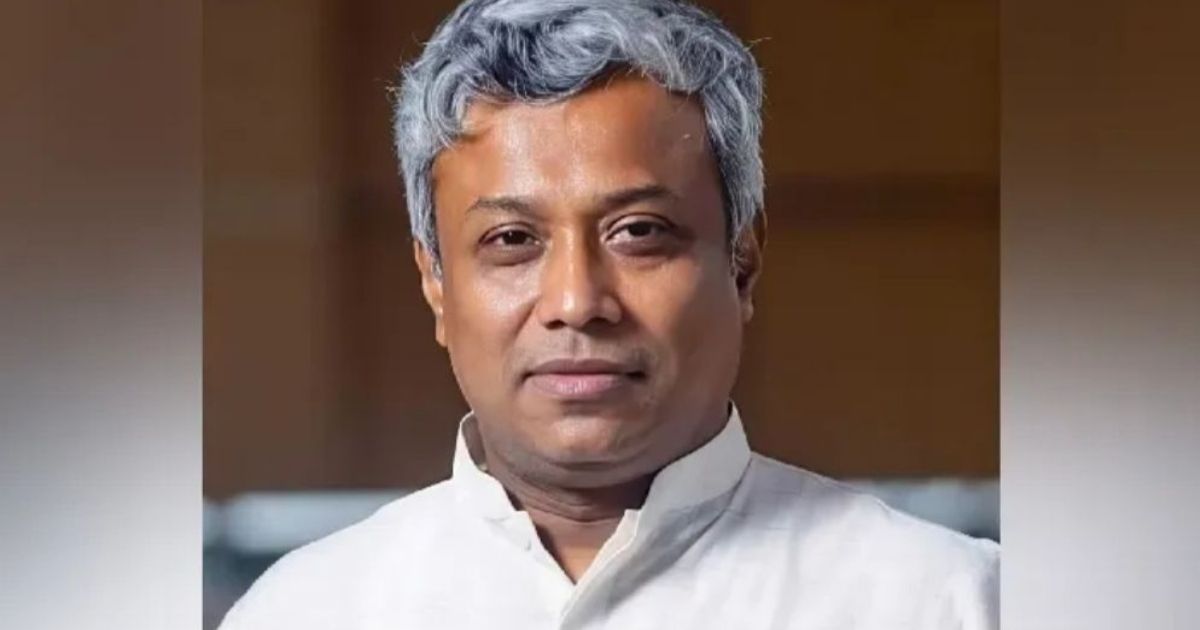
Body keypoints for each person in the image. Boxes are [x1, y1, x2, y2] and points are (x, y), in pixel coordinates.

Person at [219, 1, 998, 628]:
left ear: (742, 260)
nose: (576, 302)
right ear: (435, 283)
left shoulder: (947, 603)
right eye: (511, 240)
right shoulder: (304, 612)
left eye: (639, 232)